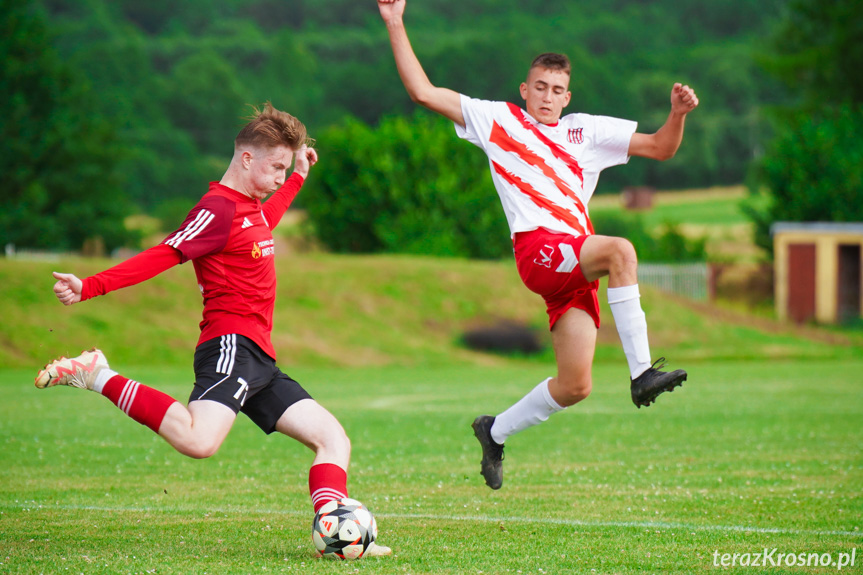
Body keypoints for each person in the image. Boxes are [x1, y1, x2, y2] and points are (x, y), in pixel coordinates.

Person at [35, 102, 391, 557]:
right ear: (247, 159)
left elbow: (267, 221)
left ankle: (339, 535)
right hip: (230, 346)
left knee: (332, 439)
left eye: (286, 167)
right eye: (276, 167)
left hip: (259, 357)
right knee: (199, 441)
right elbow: (164, 253)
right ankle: (96, 373)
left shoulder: (250, 208)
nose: (280, 177)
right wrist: (89, 287)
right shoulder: (218, 208)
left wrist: (299, 173)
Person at [378, 0, 697, 490]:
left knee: (575, 386)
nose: (548, 97)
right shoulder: (498, 120)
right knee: (621, 251)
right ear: (525, 90)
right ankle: (641, 376)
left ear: (568, 96)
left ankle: (494, 431)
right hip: (541, 252)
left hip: (575, 264)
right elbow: (422, 92)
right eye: (540, 88)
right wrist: (395, 21)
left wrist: (676, 114)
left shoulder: (586, 130)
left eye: (557, 91)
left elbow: (661, 148)